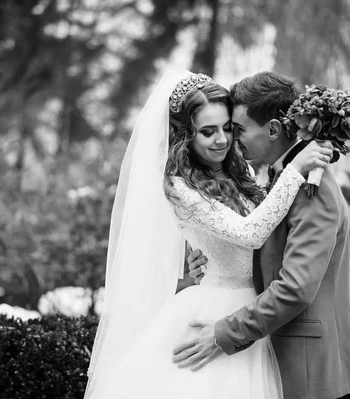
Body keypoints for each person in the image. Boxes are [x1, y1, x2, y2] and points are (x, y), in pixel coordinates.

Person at [84, 69, 333, 399]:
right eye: (207, 131)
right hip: (215, 311)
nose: (222, 140)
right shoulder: (179, 185)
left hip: (251, 309)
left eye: (228, 128)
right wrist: (294, 171)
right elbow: (250, 233)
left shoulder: (237, 169)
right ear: (186, 135)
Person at [174, 71, 350, 399]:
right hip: (278, 354)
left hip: (306, 366)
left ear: (274, 129)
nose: (232, 139)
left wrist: (223, 333)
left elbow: (294, 289)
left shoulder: (312, 188)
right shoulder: (285, 178)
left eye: (238, 128)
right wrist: (215, 257)